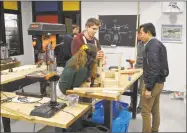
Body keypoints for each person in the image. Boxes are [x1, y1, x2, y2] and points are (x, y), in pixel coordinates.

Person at [139, 23, 169, 132]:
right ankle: (155, 130)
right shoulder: (158, 44)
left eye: (141, 33)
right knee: (155, 109)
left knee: (145, 111)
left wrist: (148, 88)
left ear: (148, 33)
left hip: (154, 83)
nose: (139, 36)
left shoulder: (152, 46)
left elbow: (154, 67)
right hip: (159, 81)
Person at [128, 29, 145, 114]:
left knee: (142, 88)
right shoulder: (139, 44)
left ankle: (140, 107)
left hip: (145, 69)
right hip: (137, 67)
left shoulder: (148, 44)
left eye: (139, 34)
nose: (137, 36)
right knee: (132, 86)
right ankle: (132, 104)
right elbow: (139, 57)